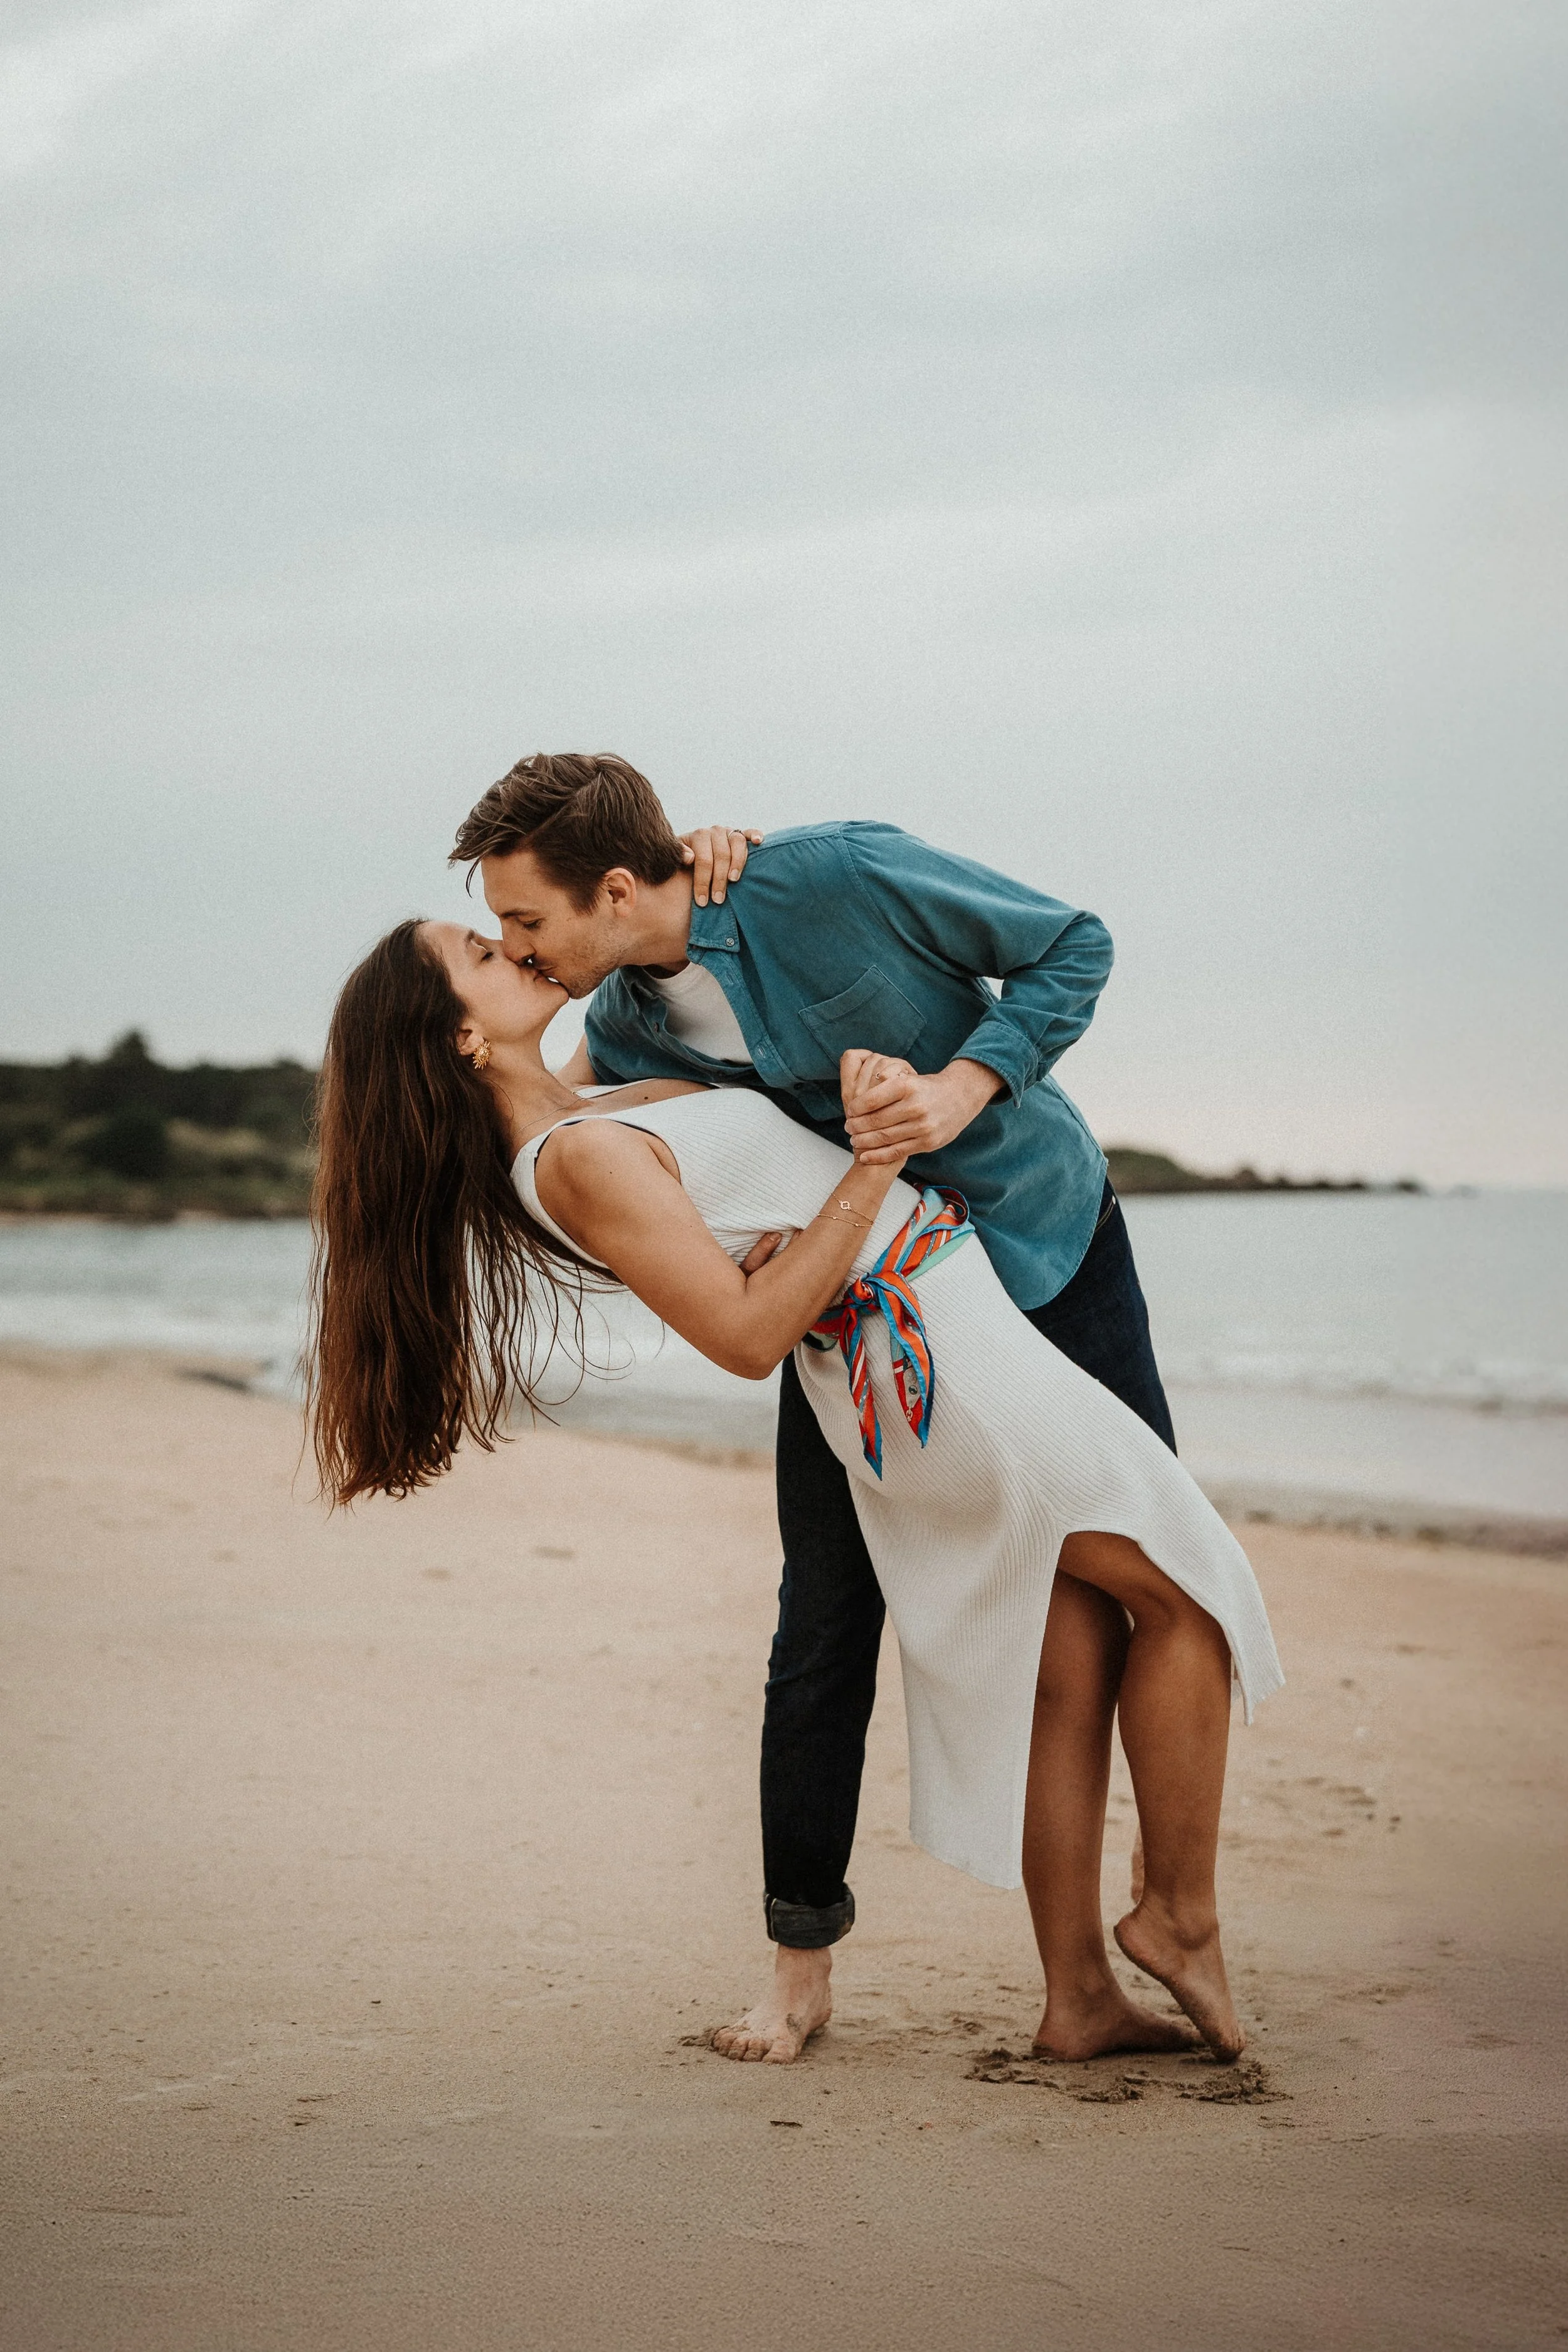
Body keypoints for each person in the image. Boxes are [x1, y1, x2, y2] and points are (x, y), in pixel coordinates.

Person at [307, 910, 1283, 2069]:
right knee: (1191, 1594)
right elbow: (746, 1337)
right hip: (948, 1366)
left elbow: (734, 1149)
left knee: (1068, 1648)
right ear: (462, 1039)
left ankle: (1078, 1996)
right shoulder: (570, 1158)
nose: (508, 947)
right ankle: (1177, 1916)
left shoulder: (581, 1112)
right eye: (478, 954)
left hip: (938, 1333)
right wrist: (872, 1172)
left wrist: (708, 885)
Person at [444, 754, 1185, 2061]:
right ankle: (801, 1971)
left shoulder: (825, 873)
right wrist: (743, 1241)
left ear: (616, 886)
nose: (519, 945)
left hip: (1044, 1243)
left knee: (1125, 1591)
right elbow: (699, 1171)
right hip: (858, 1330)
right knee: (823, 1622)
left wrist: (961, 1086)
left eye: (527, 922)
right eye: (499, 931)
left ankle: (1132, 1949)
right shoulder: (623, 1030)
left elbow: (1072, 943)